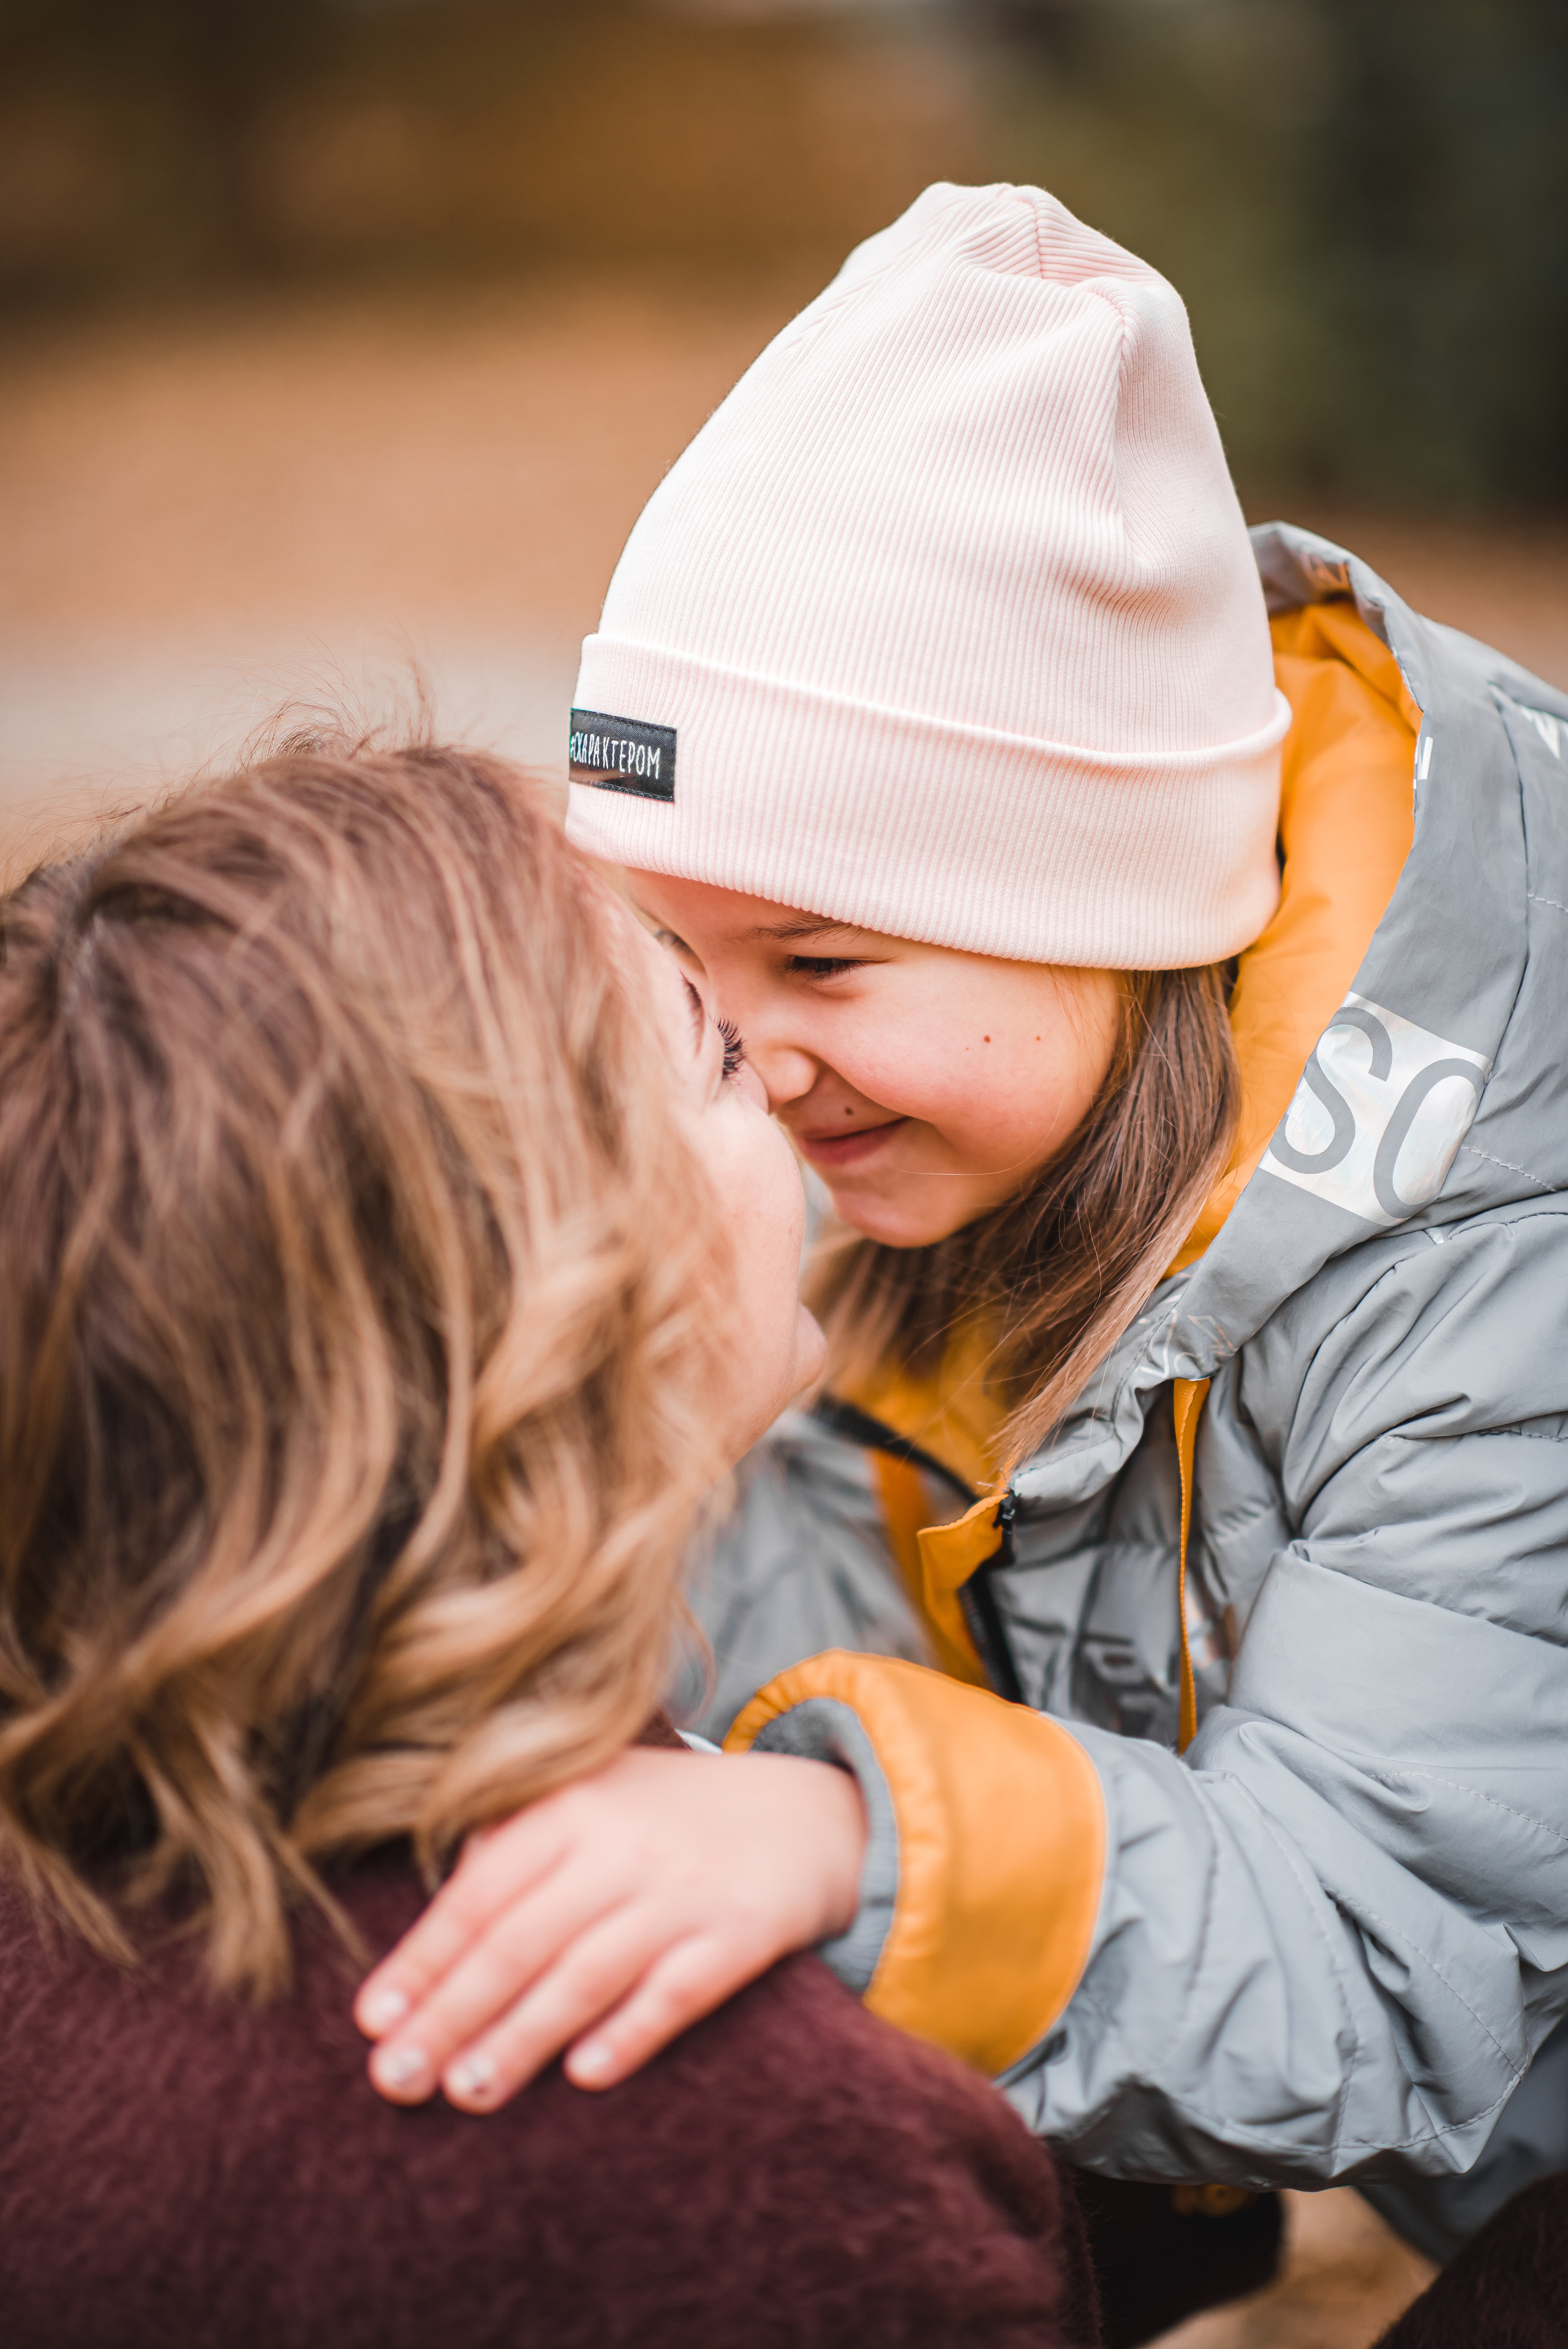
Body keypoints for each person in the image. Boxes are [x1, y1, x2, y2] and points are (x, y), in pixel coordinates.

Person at [356, 181, 1568, 2298]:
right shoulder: (955, 1128)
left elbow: (1391, 1943)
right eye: (679, 954)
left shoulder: (1493, 1258)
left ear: (1125, 905)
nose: (738, 1055)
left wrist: (855, 1839)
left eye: (822, 955)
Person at [0, 738, 1100, 2349]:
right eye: (715, 1053)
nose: (790, 1080)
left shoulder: (57, 1903)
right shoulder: (771, 2173)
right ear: (571, 1304)